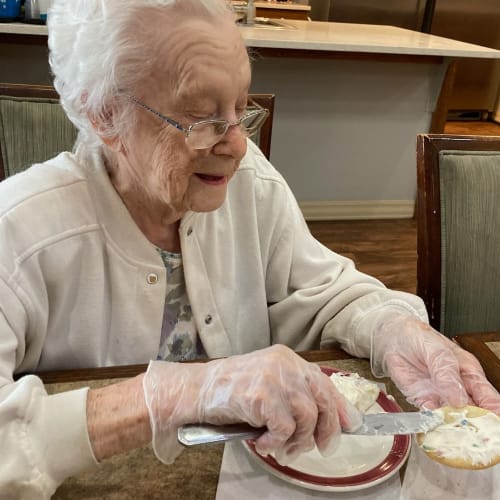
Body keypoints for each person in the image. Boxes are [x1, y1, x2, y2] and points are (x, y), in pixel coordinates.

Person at [0, 0, 498, 497]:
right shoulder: (20, 230)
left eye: (241, 109)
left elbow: (323, 289)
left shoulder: (245, 182)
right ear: (105, 113)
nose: (237, 145)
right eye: (202, 118)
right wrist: (172, 394)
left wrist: (392, 327)